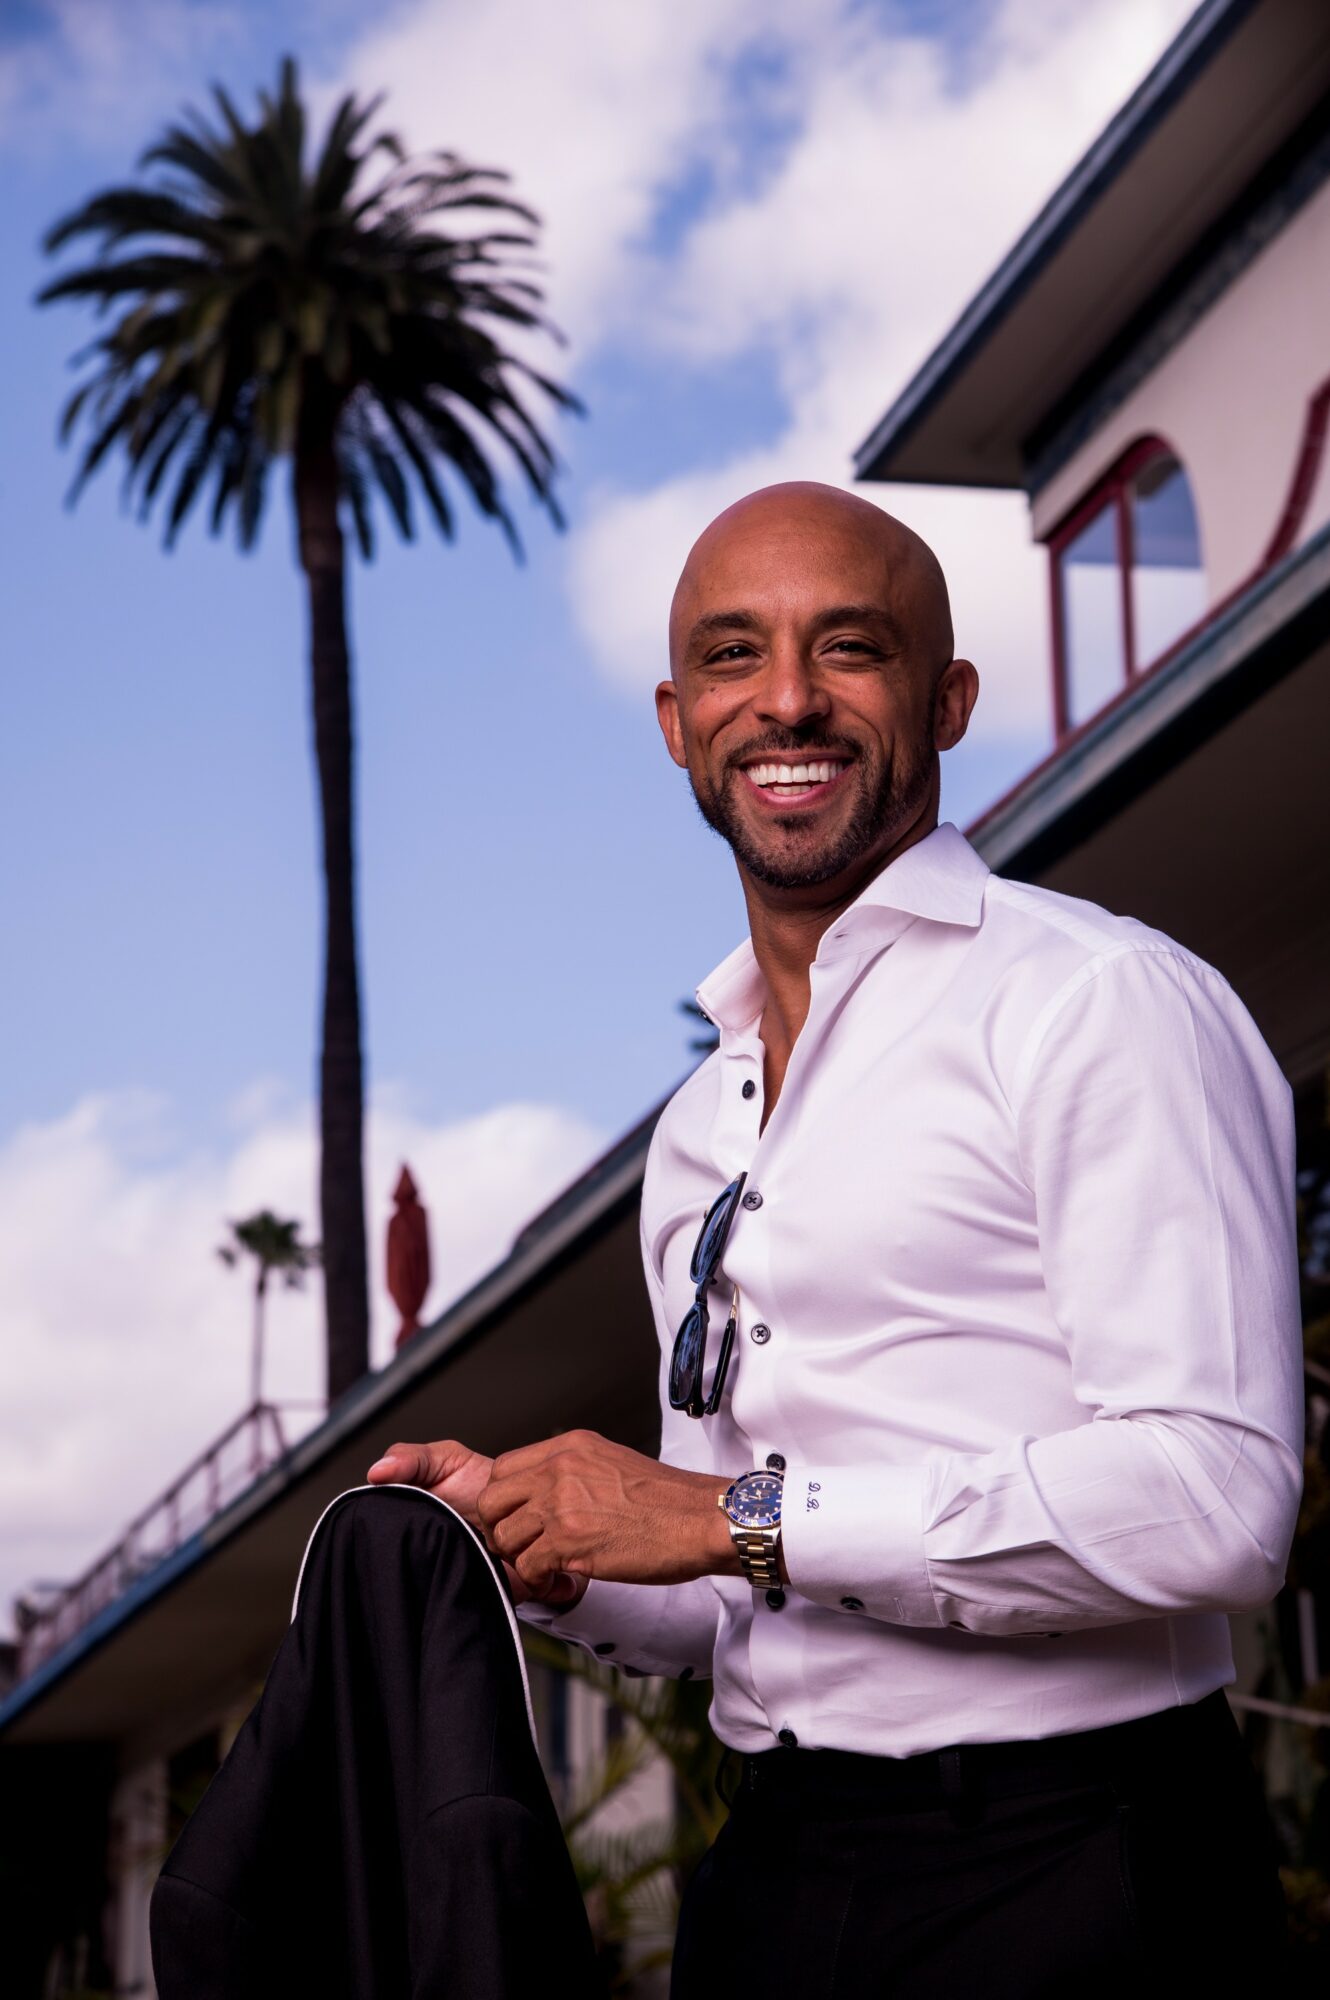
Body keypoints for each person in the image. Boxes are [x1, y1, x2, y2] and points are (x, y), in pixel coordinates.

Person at [369, 482, 1302, 1995]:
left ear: (944, 699)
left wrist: (724, 1514)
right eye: (734, 658)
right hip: (782, 1870)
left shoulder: (1096, 1003)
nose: (786, 701)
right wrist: (554, 1549)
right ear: (678, 723)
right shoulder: (697, 1128)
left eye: (846, 649)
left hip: (1082, 1864)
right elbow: (733, 1580)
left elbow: (1217, 1501)